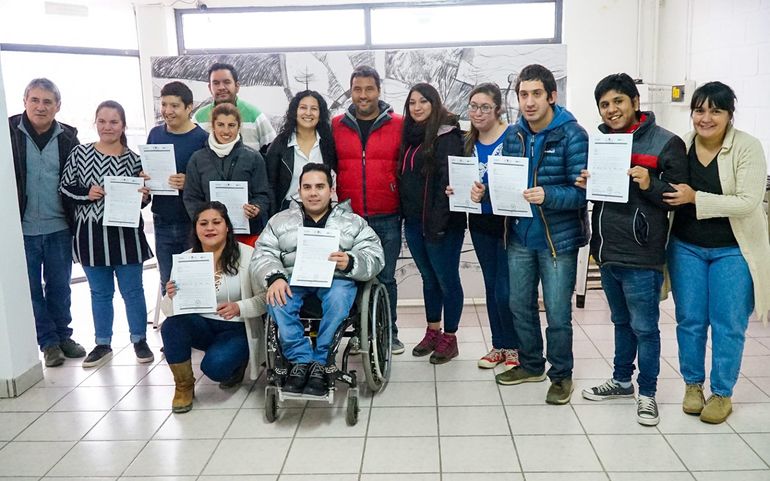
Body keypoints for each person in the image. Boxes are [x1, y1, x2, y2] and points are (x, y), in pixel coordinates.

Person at [574, 73, 688, 426]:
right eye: (605, 104)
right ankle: (622, 380)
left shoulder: (665, 143)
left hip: (642, 254)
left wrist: (649, 182)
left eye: (618, 101)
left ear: (635, 103)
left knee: (645, 326)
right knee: (621, 322)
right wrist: (584, 181)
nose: (611, 109)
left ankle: (648, 393)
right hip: (607, 250)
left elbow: (677, 197)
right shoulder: (601, 142)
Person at [663, 81, 770, 424]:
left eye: (715, 111)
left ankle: (722, 393)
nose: (705, 118)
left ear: (729, 115)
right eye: (699, 110)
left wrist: (696, 198)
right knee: (690, 320)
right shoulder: (680, 145)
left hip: (733, 250)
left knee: (728, 324)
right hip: (685, 247)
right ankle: (693, 385)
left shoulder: (748, 148)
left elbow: (748, 202)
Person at [490, 64, 589, 406]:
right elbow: (506, 181)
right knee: (519, 305)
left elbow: (581, 194)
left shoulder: (572, 134)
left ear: (551, 96)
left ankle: (561, 375)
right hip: (519, 238)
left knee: (558, 314)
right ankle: (531, 364)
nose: (529, 102)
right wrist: (482, 190)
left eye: (535, 94)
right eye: (523, 95)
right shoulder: (515, 134)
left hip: (556, 242)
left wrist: (548, 195)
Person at [251, 163, 384, 396]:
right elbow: (263, 254)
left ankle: (321, 361)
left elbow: (374, 254)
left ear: (331, 190)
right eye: (307, 187)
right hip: (292, 278)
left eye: (320, 187)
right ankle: (301, 360)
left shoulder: (352, 222)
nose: (313, 193)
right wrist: (274, 277)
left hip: (336, 279)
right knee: (277, 297)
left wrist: (351, 261)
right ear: (299, 191)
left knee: (340, 296)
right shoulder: (280, 221)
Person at [59, 100, 155, 368]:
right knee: (99, 293)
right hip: (90, 235)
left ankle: (139, 339)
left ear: (123, 125)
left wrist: (144, 196)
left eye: (114, 122)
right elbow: (65, 188)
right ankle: (102, 343)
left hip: (126, 236)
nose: (107, 127)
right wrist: (86, 193)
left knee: (133, 291)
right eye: (102, 121)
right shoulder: (79, 154)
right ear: (95, 123)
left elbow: (143, 200)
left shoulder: (135, 160)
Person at [9, 78, 86, 367]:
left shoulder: (68, 137)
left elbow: (81, 174)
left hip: (59, 227)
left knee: (59, 286)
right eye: (35, 100)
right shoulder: (8, 132)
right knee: (30, 288)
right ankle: (48, 342)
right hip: (22, 229)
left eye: (47, 102)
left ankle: (64, 335)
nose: (41, 107)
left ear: (58, 106)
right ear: (25, 101)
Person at [160, 201, 265, 413]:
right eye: (203, 223)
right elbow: (169, 312)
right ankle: (183, 387)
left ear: (227, 226)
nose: (210, 228)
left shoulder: (248, 254)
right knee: (171, 326)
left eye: (216, 222)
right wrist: (171, 296)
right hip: (201, 324)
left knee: (215, 368)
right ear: (195, 228)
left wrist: (239, 307)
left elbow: (265, 299)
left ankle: (236, 365)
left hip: (235, 327)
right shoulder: (185, 259)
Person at [332, 65, 405, 354]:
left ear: (379, 90)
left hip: (387, 214)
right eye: (357, 89)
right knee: (350, 275)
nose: (363, 95)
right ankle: (361, 333)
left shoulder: (398, 124)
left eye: (369, 89)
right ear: (351, 91)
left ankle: (390, 333)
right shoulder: (336, 124)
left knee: (385, 277)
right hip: (348, 219)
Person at [448, 82, 520, 371]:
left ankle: (515, 347)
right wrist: (455, 191)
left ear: (498, 109)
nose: (478, 113)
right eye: (473, 106)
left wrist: (488, 190)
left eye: (485, 107)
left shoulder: (513, 137)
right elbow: (465, 180)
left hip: (508, 222)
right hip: (479, 222)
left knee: (507, 289)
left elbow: (518, 179)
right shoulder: (468, 141)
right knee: (491, 286)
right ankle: (499, 346)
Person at [399, 83, 466, 364]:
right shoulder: (411, 136)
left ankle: (450, 337)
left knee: (447, 279)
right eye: (412, 102)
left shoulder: (447, 134)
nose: (417, 107)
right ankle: (433, 330)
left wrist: (439, 224)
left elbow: (446, 183)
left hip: (441, 224)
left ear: (434, 103)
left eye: (423, 101)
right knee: (429, 278)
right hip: (415, 221)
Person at [145, 81, 208, 292]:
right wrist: (144, 181)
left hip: (192, 222)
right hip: (162, 220)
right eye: (164, 104)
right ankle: (171, 324)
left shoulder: (203, 139)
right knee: (168, 282)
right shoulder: (155, 135)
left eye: (174, 105)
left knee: (196, 281)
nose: (167, 111)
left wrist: (189, 183)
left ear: (189, 108)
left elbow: (210, 183)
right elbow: (148, 171)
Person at [184, 102, 271, 244]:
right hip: (210, 235)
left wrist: (256, 208)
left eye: (231, 125)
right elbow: (191, 197)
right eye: (220, 125)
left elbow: (263, 195)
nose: (226, 131)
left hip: (246, 234)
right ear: (212, 126)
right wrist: (205, 221)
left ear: (239, 127)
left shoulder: (254, 158)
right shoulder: (197, 159)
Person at [265, 90, 337, 214]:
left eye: (314, 109)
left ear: (320, 114)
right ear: (295, 112)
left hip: (323, 211)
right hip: (288, 211)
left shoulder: (328, 143)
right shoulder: (280, 144)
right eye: (303, 108)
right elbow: (270, 185)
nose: (308, 113)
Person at [194, 62, 276, 152]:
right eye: (216, 83)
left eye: (227, 82)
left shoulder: (254, 115)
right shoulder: (199, 118)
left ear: (237, 86)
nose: (221, 87)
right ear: (210, 88)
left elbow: (273, 150)